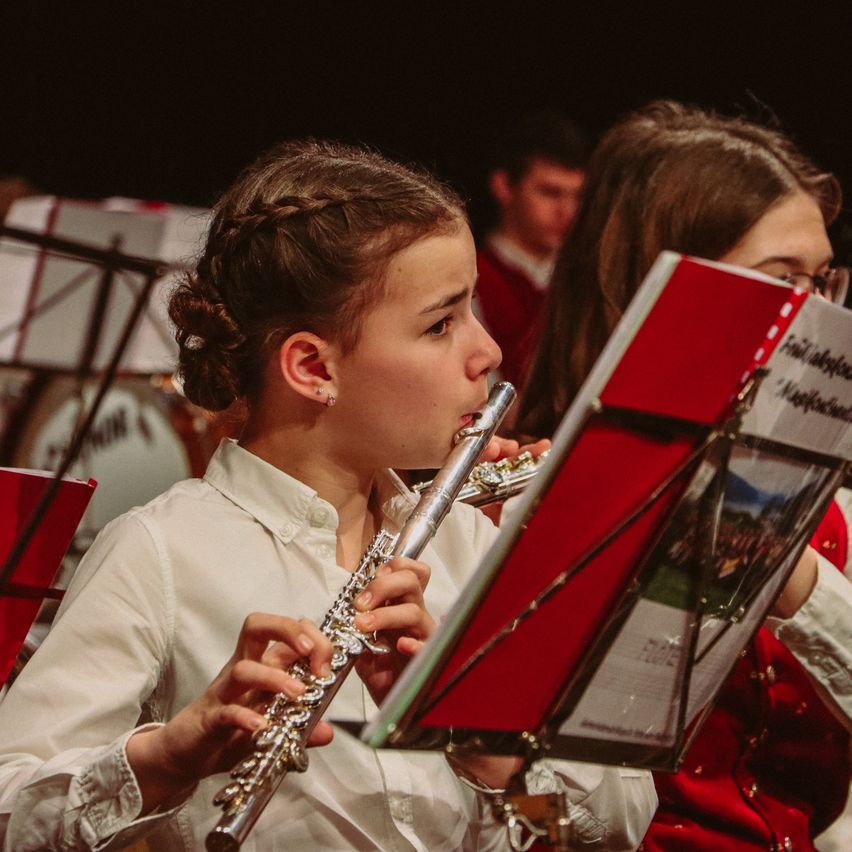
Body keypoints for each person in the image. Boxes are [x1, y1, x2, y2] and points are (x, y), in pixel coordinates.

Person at [0, 140, 657, 850]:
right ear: (313, 368)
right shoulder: (160, 553)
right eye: (441, 324)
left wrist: (474, 742)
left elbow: (603, 830)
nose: (488, 352)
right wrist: (165, 759)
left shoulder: (470, 542)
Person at [516, 100, 852, 851]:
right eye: (781, 280)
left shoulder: (832, 510)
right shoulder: (525, 509)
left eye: (821, 282)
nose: (816, 323)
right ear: (660, 286)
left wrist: (795, 579)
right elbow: (522, 815)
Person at [476, 109, 588, 388]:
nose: (567, 211)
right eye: (549, 192)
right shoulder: (474, 275)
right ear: (503, 187)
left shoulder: (583, 278)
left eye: (576, 196)